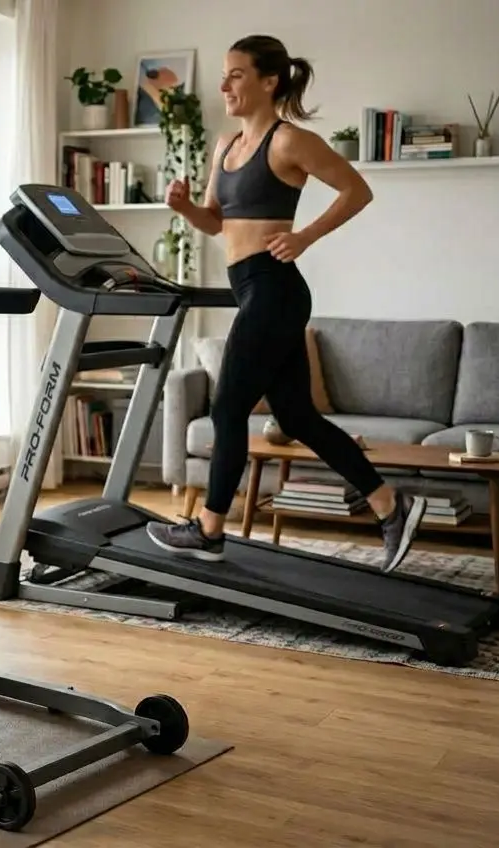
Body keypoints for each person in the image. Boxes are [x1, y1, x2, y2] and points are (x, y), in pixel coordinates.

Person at [145, 34, 425, 571]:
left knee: (228, 407)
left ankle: (209, 528)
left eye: (236, 74)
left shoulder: (288, 141)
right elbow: (217, 222)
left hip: (275, 289)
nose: (225, 84)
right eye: (224, 75)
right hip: (250, 287)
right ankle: (391, 504)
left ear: (269, 81)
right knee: (295, 415)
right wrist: (184, 209)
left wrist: (305, 237)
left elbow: (356, 190)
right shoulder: (225, 147)